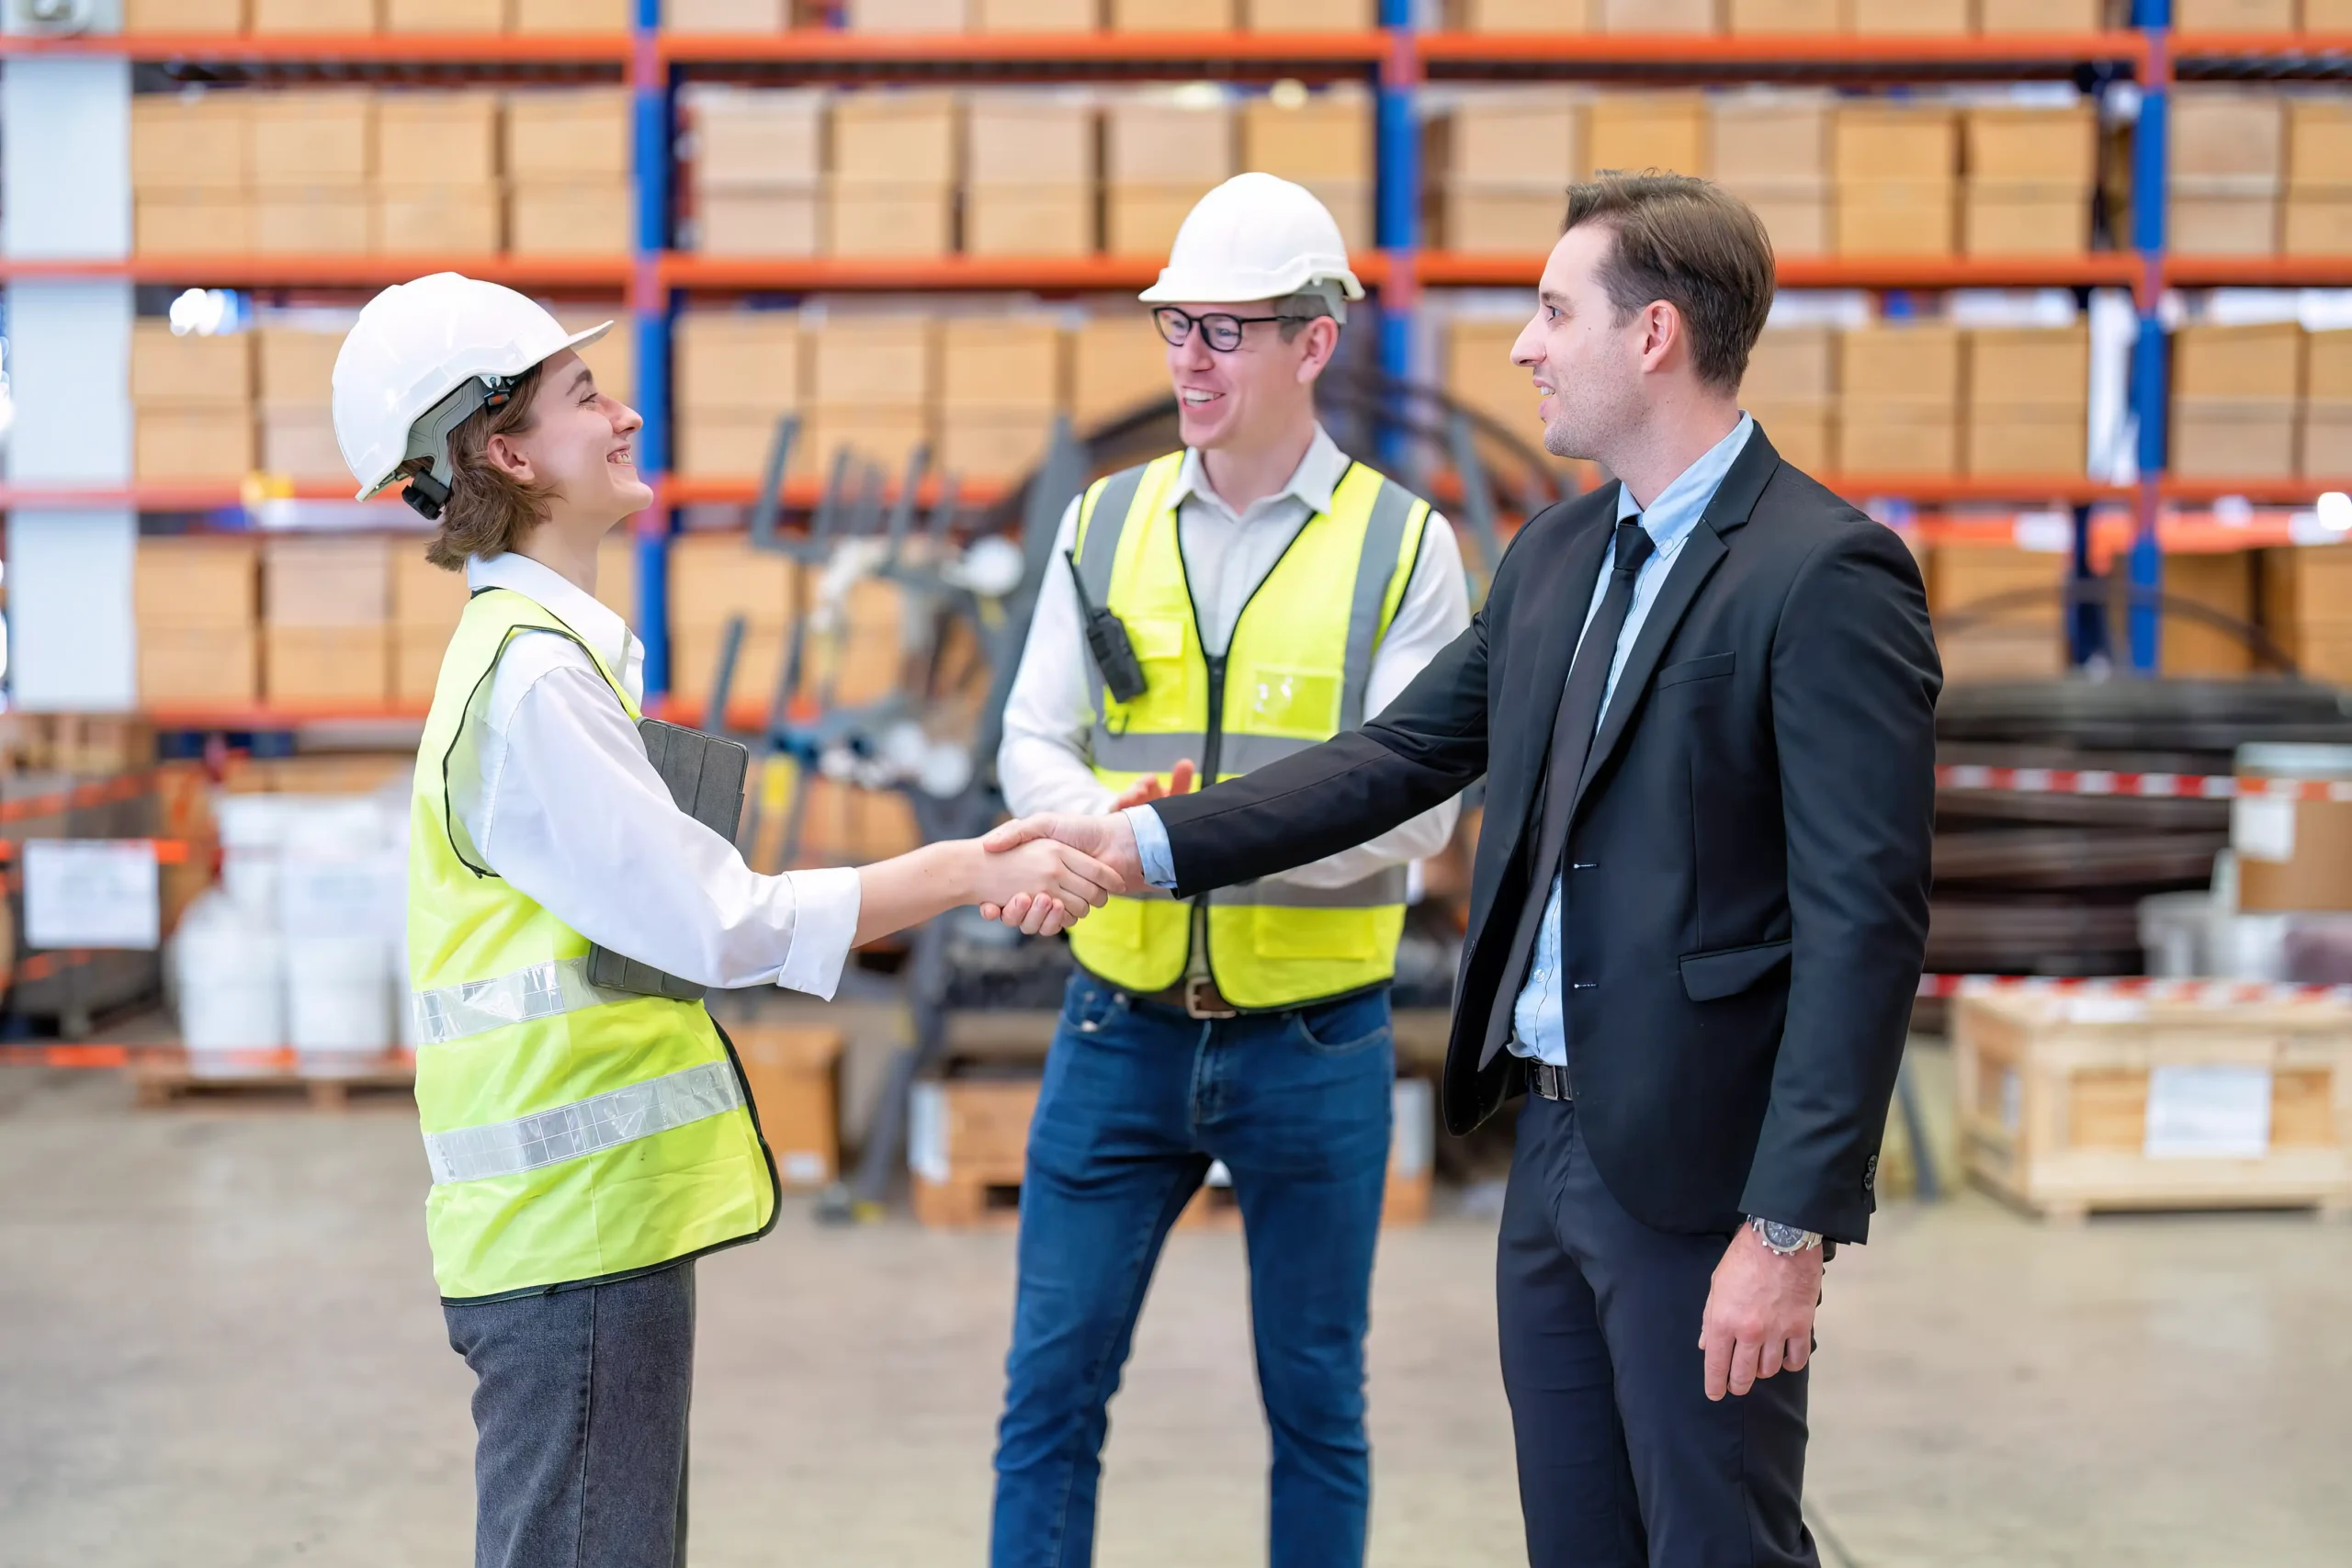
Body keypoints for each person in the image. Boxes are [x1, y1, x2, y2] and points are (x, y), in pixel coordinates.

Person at [985, 174, 1941, 1567]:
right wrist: (1135, 843)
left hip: (1701, 1168)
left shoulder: (1822, 572)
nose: (1524, 347)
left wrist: (1789, 1225)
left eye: (1555, 311)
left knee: (1717, 1539)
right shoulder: (1558, 556)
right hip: (1548, 1149)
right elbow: (1385, 762)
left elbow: (1866, 928)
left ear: (1656, 335)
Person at [332, 273, 1120, 1568]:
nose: (628, 414)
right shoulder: (530, 683)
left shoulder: (547, 656)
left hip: (587, 1231)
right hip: (568, 1240)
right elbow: (716, 922)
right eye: (588, 397)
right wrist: (962, 869)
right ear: (508, 450)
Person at [984, 173, 1473, 1568]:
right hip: (1113, 1030)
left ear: (1313, 343)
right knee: (1048, 1394)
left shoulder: (1405, 550)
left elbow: (1415, 810)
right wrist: (1101, 837)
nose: (1188, 361)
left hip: (1316, 1040)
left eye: (1223, 331)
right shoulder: (1104, 523)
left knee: (1318, 1403)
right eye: (1171, 327)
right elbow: (1033, 737)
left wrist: (1169, 842)